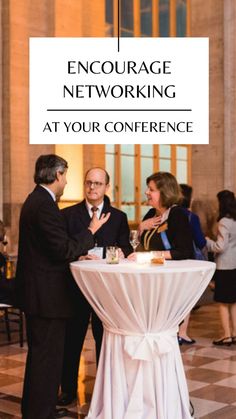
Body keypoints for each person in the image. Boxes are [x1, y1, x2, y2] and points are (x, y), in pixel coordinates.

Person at [15, 155, 110, 419]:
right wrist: (90, 232)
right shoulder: (44, 205)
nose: (66, 181)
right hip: (46, 298)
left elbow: (53, 249)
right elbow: (62, 248)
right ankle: (40, 413)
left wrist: (75, 252)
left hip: (41, 295)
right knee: (46, 359)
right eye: (65, 175)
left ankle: (39, 409)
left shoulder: (38, 201)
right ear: (57, 175)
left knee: (43, 358)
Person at [58, 167, 133, 407]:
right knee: (72, 340)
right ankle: (68, 390)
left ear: (106, 187)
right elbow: (64, 249)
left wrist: (123, 252)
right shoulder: (68, 215)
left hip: (106, 291)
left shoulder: (119, 217)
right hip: (76, 289)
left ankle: (105, 390)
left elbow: (127, 249)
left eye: (98, 184)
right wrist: (78, 256)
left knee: (106, 340)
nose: (92, 187)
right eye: (89, 182)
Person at [129, 171, 193, 260]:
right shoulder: (151, 213)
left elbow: (184, 251)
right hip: (151, 268)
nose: (146, 192)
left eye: (151, 189)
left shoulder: (177, 214)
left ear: (164, 193)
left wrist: (151, 255)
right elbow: (139, 246)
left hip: (170, 270)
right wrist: (141, 227)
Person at [206, 190, 236, 346]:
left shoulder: (224, 221)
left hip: (224, 266)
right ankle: (235, 333)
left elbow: (220, 246)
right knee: (234, 301)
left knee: (223, 302)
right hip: (235, 265)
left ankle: (226, 335)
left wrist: (207, 242)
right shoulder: (235, 220)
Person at [178, 184, 207, 345]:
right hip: (188, 262)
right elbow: (200, 241)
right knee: (186, 298)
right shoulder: (190, 217)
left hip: (169, 261)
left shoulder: (166, 214)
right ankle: (182, 333)